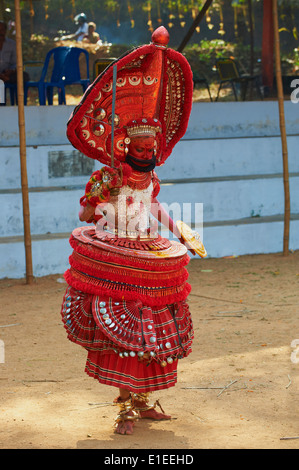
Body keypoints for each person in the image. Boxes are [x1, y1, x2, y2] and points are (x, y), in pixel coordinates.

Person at [61, 26, 206, 435]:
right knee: (123, 329)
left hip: (147, 249)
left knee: (152, 324)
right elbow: (90, 214)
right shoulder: (108, 176)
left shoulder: (150, 178)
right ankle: (123, 406)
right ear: (126, 148)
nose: (147, 155)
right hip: (116, 250)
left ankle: (143, 400)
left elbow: (155, 206)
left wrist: (181, 231)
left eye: (151, 151)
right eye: (140, 150)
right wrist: (106, 205)